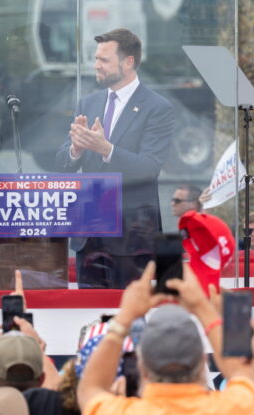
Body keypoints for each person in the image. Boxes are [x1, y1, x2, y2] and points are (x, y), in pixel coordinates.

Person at [77, 263, 254, 415]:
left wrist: (125, 318)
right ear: (203, 362)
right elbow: (242, 372)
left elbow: (90, 388)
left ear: (142, 366)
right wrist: (201, 307)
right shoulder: (236, 410)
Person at [56, 28, 175, 289]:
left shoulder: (157, 108)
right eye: (96, 58)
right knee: (88, 314)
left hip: (131, 238)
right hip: (90, 235)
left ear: (128, 62)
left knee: (130, 316)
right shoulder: (88, 103)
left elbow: (149, 167)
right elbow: (63, 160)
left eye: (104, 60)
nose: (96, 65)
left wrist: (105, 149)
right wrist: (76, 149)